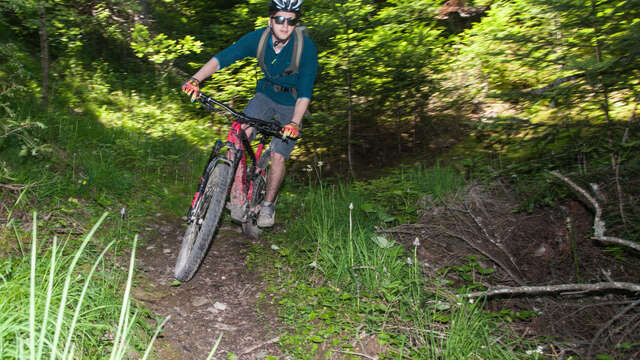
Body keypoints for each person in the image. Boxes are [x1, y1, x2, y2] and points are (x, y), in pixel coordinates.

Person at [182, 0, 318, 228]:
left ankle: (267, 204)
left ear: (296, 23)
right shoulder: (259, 38)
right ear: (270, 20)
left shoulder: (305, 48)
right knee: (239, 133)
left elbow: (305, 92)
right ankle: (228, 188)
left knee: (277, 155)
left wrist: (294, 122)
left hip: (292, 104)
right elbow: (224, 57)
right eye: (280, 19)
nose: (285, 25)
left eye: (291, 20)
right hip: (264, 95)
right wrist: (196, 79)